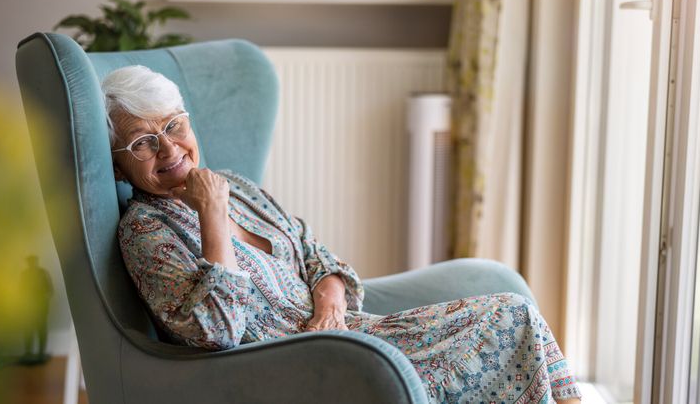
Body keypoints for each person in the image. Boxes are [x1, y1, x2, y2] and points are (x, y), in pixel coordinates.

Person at [105, 65, 582, 403]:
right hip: (299, 368)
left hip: (350, 334)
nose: (168, 147)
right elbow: (218, 331)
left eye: (174, 125)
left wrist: (330, 306)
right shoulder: (145, 232)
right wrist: (212, 213)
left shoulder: (235, 186)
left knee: (512, 312)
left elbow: (316, 253)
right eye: (143, 142)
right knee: (504, 323)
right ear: (119, 167)